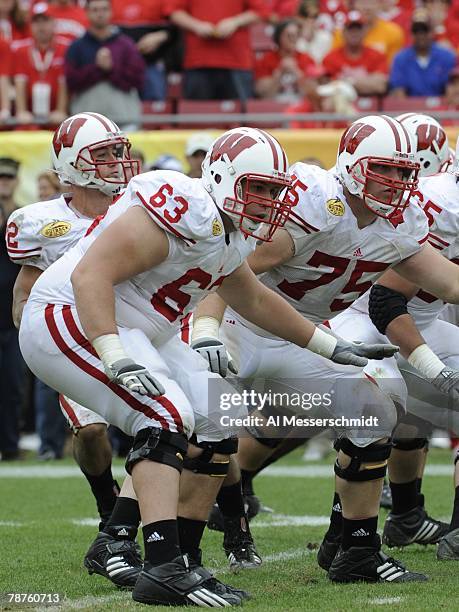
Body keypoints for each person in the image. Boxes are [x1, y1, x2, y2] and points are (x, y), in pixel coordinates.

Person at [18, 125, 397, 605]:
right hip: (71, 314)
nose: (265, 200)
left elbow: (254, 298)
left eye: (274, 191)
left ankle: (186, 559)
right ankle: (161, 567)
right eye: (256, 187)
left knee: (217, 416)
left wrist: (328, 347)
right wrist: (113, 352)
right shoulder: (182, 201)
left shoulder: (231, 233)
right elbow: (90, 273)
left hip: (140, 328)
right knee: (165, 415)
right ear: (220, 176)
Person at [192, 114, 459, 583]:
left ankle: (355, 551)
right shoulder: (317, 201)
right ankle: (146, 544)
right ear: (353, 164)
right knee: (191, 426)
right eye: (386, 169)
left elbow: (450, 282)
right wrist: (206, 325)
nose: (396, 182)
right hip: (238, 327)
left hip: (303, 339)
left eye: (403, 172)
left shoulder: (401, 222)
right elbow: (233, 269)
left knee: (374, 410)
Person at [7, 113, 138, 577]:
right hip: (79, 338)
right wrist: (34, 332)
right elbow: (26, 288)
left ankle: (229, 518)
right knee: (91, 431)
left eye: (118, 151)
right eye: (102, 155)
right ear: (71, 164)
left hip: (144, 332)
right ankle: (109, 506)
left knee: (181, 426)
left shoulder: (139, 206)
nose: (118, 162)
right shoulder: (41, 221)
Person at [65, 0, 146, 130]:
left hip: (124, 119)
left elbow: (138, 80)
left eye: (104, 9)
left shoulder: (126, 45)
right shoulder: (77, 46)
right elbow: (71, 81)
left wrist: (110, 69)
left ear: (111, 12)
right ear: (87, 13)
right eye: (95, 10)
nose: (100, 14)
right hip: (87, 124)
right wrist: (97, 68)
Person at [0, 157, 25, 460]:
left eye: (8, 178)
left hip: (12, 318)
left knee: (14, 387)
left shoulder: (22, 217)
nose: (4, 182)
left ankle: (10, 444)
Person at [12, 3, 69, 127]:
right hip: (29, 119)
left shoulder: (66, 47)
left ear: (54, 23)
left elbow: (64, 81)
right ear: (30, 25)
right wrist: (21, 111)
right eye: (36, 22)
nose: (41, 26)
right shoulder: (21, 50)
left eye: (45, 21)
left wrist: (61, 110)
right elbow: (20, 81)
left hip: (56, 118)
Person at [389, 10, 456, 98]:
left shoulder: (447, 56)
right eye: (416, 31)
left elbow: (450, 93)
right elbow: (400, 95)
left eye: (425, 30)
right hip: (411, 108)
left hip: (440, 109)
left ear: (432, 32)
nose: (420, 35)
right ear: (411, 34)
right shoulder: (400, 59)